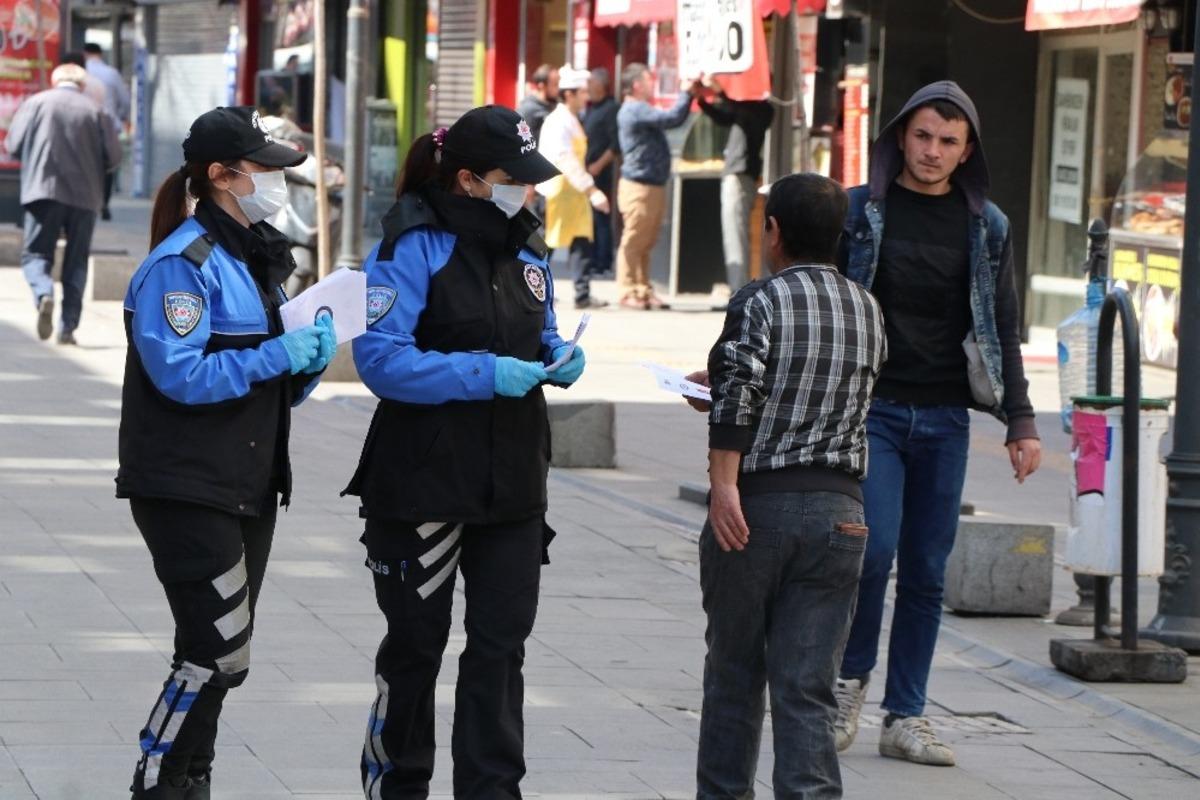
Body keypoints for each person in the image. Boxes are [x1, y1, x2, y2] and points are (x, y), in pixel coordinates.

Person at [343, 105, 585, 799]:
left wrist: (558, 354)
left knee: (500, 649)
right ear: (473, 180)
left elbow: (542, 330)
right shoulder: (410, 244)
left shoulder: (528, 245)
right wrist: (484, 373)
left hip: (512, 477)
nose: (530, 192)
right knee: (416, 647)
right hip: (424, 476)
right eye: (517, 180)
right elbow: (381, 361)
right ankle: (396, 786)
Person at [116, 106, 335, 799]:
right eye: (263, 167)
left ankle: (191, 779)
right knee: (217, 648)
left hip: (247, 479)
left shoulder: (253, 256)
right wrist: (276, 354)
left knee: (221, 653)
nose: (274, 179)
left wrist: (304, 366)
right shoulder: (181, 265)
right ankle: (158, 775)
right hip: (185, 482)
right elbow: (179, 374)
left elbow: (261, 381)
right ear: (220, 176)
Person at [834, 81, 1041, 766]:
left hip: (948, 417)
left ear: (967, 150)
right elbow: (825, 299)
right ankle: (847, 683)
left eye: (948, 141)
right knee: (876, 549)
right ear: (901, 136)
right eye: (922, 136)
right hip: (875, 410)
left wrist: (1022, 420)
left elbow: (1002, 328)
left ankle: (907, 716)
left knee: (927, 568)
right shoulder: (863, 212)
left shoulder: (989, 225)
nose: (932, 151)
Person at [688, 173, 886, 798]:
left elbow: (741, 395)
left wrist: (724, 486)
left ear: (773, 231)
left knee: (734, 678)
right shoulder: (869, 307)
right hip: (842, 516)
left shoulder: (760, 299)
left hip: (759, 510)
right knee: (808, 690)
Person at [7, 62, 120, 344]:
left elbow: (13, 145)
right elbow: (115, 158)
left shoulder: (36, 103)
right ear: (82, 85)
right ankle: (67, 327)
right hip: (85, 197)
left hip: (42, 191)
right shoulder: (97, 111)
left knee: (36, 254)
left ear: (56, 81)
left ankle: (44, 292)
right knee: (76, 261)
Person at [615, 64, 696, 309]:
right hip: (638, 185)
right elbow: (672, 118)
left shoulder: (640, 108)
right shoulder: (634, 109)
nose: (652, 85)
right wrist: (686, 93)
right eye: (649, 80)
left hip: (652, 183)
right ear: (637, 85)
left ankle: (643, 289)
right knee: (634, 239)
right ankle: (627, 290)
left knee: (647, 241)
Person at [695, 78, 774, 307]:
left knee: (735, 234)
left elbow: (739, 112)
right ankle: (738, 288)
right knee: (734, 234)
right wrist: (702, 100)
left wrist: (720, 92)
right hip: (737, 173)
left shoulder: (762, 108)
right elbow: (725, 117)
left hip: (740, 175)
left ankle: (739, 291)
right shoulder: (749, 108)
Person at [537, 65, 610, 310]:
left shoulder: (572, 119)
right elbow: (565, 159)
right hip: (556, 190)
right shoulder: (558, 121)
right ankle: (536, 291)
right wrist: (592, 189)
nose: (587, 97)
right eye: (583, 92)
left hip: (574, 192)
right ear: (569, 94)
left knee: (581, 242)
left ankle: (582, 293)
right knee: (544, 245)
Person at [84, 43, 131, 220]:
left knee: (86, 165)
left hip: (85, 126)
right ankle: (104, 203)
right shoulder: (112, 73)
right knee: (108, 166)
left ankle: (89, 202)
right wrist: (121, 116)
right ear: (100, 54)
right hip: (110, 125)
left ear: (85, 53)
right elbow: (125, 101)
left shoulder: (81, 72)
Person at [583, 67, 619, 278]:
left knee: (601, 217)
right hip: (587, 170)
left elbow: (615, 144)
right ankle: (594, 257)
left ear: (601, 86)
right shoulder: (590, 108)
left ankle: (603, 260)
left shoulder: (611, 108)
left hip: (601, 170)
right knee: (591, 217)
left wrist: (599, 164)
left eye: (591, 84)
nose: (588, 88)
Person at [516, 63, 559, 142]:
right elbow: (520, 139)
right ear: (542, 86)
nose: (558, 88)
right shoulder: (527, 110)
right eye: (555, 84)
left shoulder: (555, 106)